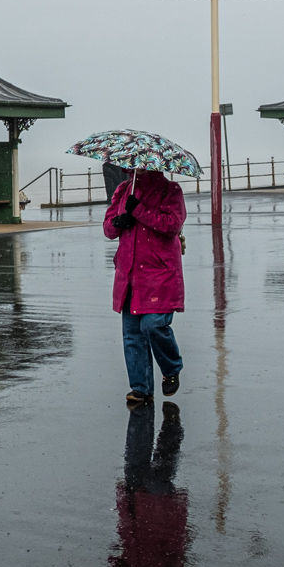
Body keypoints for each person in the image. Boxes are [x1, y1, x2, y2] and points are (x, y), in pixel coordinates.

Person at [103, 168, 186, 404]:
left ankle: (171, 368)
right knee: (132, 334)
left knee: (153, 325)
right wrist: (120, 221)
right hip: (129, 273)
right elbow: (108, 228)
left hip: (160, 273)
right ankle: (140, 387)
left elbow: (172, 224)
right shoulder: (123, 190)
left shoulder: (171, 190)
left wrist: (139, 210)